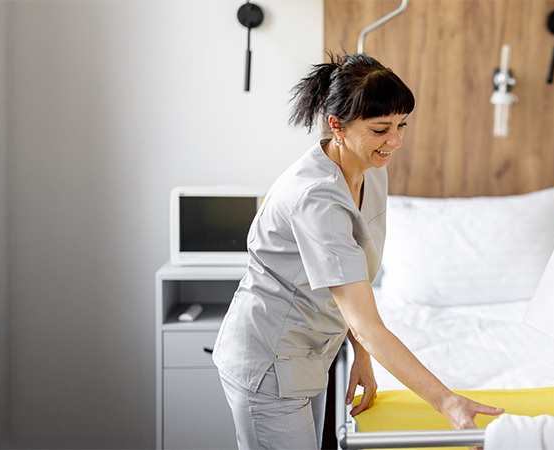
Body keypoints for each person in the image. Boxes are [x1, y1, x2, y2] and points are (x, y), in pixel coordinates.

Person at [212, 53, 503, 449]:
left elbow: (348, 282)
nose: (396, 141)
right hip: (269, 360)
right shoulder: (317, 198)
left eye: (402, 125)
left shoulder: (371, 169)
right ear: (337, 127)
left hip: (310, 353)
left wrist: (360, 357)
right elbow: (368, 323)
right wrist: (447, 403)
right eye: (382, 129)